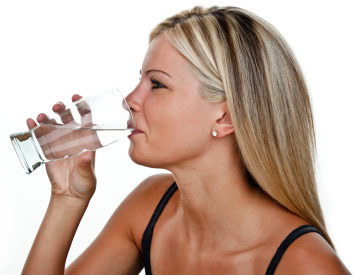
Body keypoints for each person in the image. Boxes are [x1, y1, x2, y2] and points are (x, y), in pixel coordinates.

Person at [22, 5, 350, 275]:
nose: (130, 100)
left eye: (157, 84)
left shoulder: (305, 264)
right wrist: (66, 199)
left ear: (225, 118)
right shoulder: (151, 206)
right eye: (140, 81)